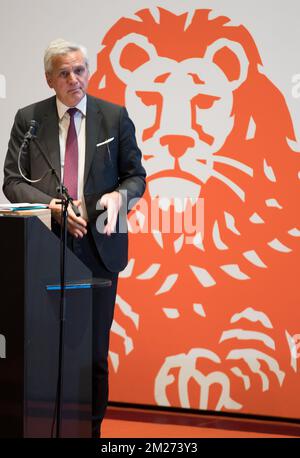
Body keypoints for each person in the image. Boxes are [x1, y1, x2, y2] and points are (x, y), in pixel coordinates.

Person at [3, 38, 146, 437]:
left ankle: (91, 431)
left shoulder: (113, 117)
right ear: (50, 79)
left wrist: (121, 195)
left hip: (99, 249)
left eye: (79, 70)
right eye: (64, 72)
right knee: (45, 351)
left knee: (93, 355)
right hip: (44, 247)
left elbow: (136, 176)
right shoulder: (28, 119)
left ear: (89, 72)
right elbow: (12, 181)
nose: (73, 79)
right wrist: (52, 207)